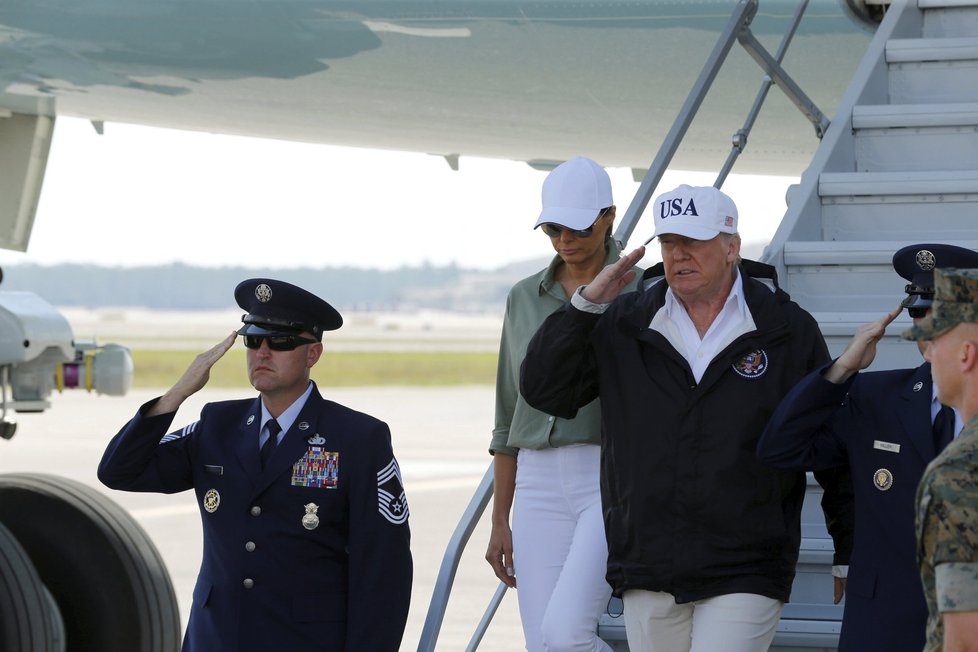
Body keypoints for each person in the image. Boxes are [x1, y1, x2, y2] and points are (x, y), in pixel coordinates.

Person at [520, 184, 830, 652]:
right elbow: (545, 390)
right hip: (649, 561)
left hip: (744, 562)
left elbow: (829, 443)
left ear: (732, 247)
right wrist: (583, 309)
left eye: (694, 241)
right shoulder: (625, 322)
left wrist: (848, 548)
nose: (679, 255)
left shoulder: (786, 329)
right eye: (668, 243)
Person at [98, 278, 412, 652]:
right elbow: (119, 471)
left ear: (313, 354)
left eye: (279, 342)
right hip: (216, 638)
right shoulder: (217, 426)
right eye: (253, 340)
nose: (262, 352)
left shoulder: (358, 438)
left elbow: (383, 571)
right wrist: (177, 394)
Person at [758, 243, 978, 651]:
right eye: (918, 311)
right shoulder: (876, 396)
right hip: (884, 623)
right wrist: (841, 369)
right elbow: (780, 449)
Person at [485, 156, 640, 651]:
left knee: (566, 636)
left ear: (608, 216)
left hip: (608, 475)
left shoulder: (643, 291)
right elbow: (508, 414)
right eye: (552, 228)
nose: (564, 240)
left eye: (575, 227)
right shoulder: (523, 296)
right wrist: (498, 518)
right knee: (542, 645)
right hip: (535, 483)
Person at [904, 267, 978, 652]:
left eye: (936, 341)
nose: (928, 352)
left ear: (966, 354)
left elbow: (967, 639)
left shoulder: (961, 471)